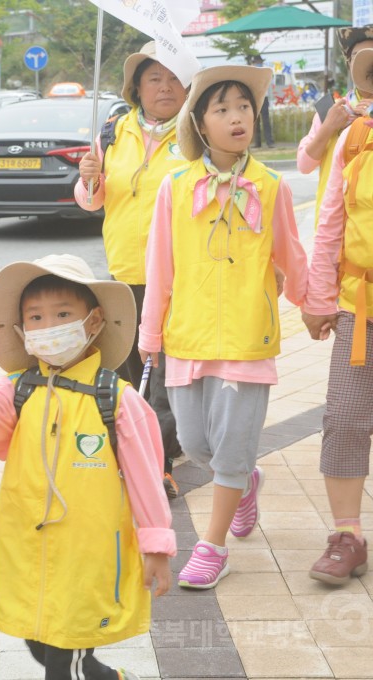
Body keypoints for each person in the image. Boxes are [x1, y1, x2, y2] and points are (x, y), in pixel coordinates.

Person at [0, 254, 173, 680]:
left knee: (64, 662)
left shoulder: (118, 400)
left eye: (63, 314)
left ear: (94, 321)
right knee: (40, 642)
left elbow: (146, 479)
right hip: (30, 549)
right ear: (22, 329)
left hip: (89, 554)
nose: (49, 327)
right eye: (37, 317)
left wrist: (156, 546)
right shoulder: (19, 391)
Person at [140, 64, 309, 590]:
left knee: (231, 448)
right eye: (222, 109)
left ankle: (212, 547)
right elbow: (158, 268)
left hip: (246, 338)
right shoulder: (175, 187)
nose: (237, 117)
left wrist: (316, 303)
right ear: (201, 122)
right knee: (196, 442)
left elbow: (292, 255)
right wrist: (150, 335)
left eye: (244, 107)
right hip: (185, 337)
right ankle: (244, 480)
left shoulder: (272, 185)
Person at [76, 42, 191, 499]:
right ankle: (159, 444)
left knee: (159, 373)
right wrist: (88, 178)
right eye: (154, 78)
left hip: (180, 274)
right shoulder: (113, 131)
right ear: (137, 88)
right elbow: (92, 201)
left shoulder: (197, 133)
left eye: (174, 79)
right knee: (130, 372)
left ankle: (156, 466)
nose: (165, 86)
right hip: (124, 271)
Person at [301, 47, 373, 586]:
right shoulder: (353, 135)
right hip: (359, 306)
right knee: (345, 419)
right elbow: (330, 222)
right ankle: (347, 536)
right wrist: (319, 299)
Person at [297, 26, 373, 227]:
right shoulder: (331, 110)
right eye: (356, 56)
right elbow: (304, 165)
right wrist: (328, 127)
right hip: (332, 230)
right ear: (349, 64)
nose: (364, 63)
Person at [247, 55, 275, 149]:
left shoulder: (265, 72)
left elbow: (269, 86)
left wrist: (271, 99)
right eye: (257, 62)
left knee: (266, 120)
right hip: (254, 98)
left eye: (260, 62)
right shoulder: (250, 73)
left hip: (264, 98)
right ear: (253, 63)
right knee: (255, 121)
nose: (259, 64)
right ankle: (257, 143)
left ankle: (269, 142)